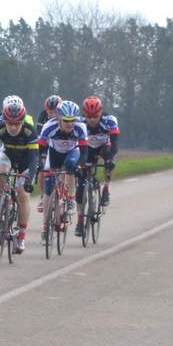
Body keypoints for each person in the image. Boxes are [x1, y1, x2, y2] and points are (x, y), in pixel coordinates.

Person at [0, 95, 39, 254]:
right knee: (1, 171)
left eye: (16, 124)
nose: (12, 127)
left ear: (22, 122)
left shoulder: (30, 131)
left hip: (26, 160)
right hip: (8, 155)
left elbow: (34, 159)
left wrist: (30, 178)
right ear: (4, 121)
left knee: (23, 194)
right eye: (9, 124)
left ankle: (21, 235)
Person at [36, 99, 88, 243]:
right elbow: (42, 149)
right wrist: (41, 164)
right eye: (66, 120)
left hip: (72, 152)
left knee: (71, 166)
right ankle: (45, 228)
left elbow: (84, 152)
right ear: (59, 118)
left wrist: (80, 166)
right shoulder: (49, 126)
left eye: (72, 120)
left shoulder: (80, 127)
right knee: (48, 189)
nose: (70, 124)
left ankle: (70, 198)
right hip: (54, 153)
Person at [79, 95, 121, 224]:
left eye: (95, 116)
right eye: (89, 116)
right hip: (88, 148)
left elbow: (115, 144)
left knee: (109, 160)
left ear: (100, 113)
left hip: (104, 146)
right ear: (84, 114)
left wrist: (110, 159)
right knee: (83, 173)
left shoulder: (110, 121)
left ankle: (106, 189)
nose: (92, 119)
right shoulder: (80, 122)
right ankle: (81, 217)